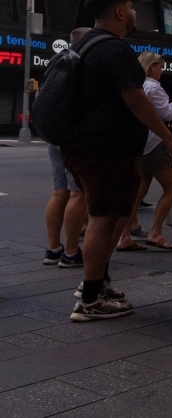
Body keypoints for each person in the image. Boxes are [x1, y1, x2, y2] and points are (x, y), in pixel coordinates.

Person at [61, 0, 172, 321]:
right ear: (118, 12)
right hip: (105, 150)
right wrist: (166, 136)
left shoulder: (84, 44)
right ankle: (89, 299)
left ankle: (98, 282)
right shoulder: (114, 49)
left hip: (83, 146)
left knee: (111, 215)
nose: (134, 13)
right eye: (131, 8)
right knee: (103, 218)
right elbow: (135, 98)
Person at [116, 52, 172, 252]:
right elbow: (165, 114)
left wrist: (171, 104)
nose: (162, 70)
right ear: (151, 67)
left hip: (139, 143)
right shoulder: (154, 88)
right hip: (155, 143)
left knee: (138, 190)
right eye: (160, 66)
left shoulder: (138, 86)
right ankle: (155, 233)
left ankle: (125, 234)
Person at [42, 27, 91, 268]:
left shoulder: (58, 60)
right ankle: (71, 252)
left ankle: (53, 249)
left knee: (58, 192)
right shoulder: (83, 62)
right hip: (74, 135)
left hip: (54, 133)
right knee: (77, 193)